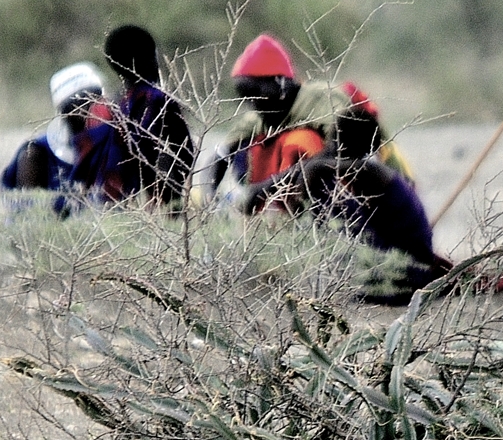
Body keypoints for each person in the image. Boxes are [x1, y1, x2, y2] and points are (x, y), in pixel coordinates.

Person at [235, 102, 453, 302]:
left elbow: (315, 168)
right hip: (403, 266)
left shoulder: (371, 171)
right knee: (324, 190)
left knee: (322, 189)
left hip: (406, 274)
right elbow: (312, 168)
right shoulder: (361, 168)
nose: (327, 147)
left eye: (333, 140)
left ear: (340, 143)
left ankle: (362, 280)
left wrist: (270, 192)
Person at [199, 32, 412, 203]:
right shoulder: (263, 115)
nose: (253, 103)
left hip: (378, 186)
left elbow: (345, 151)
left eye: (256, 93)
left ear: (281, 84)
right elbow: (221, 155)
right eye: (246, 96)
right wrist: (208, 195)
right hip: (311, 189)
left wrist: (268, 187)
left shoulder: (319, 98)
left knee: (299, 142)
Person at [99, 23, 195, 208]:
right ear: (149, 59)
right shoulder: (160, 101)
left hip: (121, 201)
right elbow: (183, 153)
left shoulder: (116, 105)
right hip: (160, 201)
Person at [0, 61, 115, 214]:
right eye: (80, 104)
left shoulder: (120, 144)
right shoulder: (35, 155)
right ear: (64, 112)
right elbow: (28, 220)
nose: (90, 110)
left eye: (95, 100)